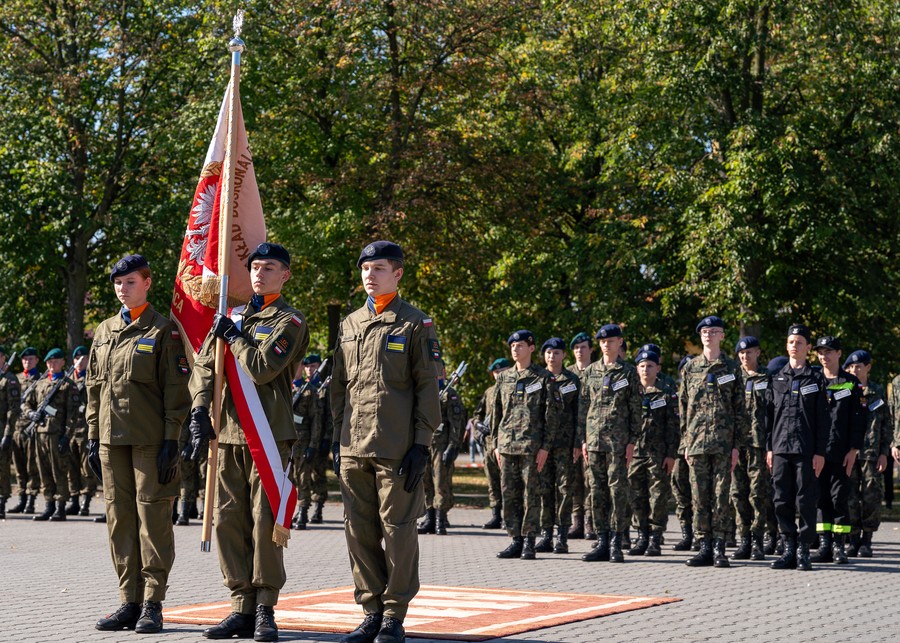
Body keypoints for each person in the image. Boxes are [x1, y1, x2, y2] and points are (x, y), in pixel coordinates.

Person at [188, 242, 309, 642]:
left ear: (284, 275)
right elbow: (205, 366)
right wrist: (199, 410)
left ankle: (265, 608)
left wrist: (235, 337)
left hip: (268, 436)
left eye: (269, 267)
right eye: (255, 266)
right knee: (226, 521)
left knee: (263, 523)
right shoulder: (233, 315)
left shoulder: (289, 320)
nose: (259, 273)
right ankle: (239, 603)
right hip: (227, 434)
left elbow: (261, 367)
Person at [331, 240, 441, 643]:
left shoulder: (415, 323)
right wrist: (337, 437)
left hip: (395, 447)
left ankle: (394, 613)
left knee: (397, 529)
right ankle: (371, 611)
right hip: (352, 446)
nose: (369, 276)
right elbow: (339, 389)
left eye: (378, 268)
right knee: (358, 530)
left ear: (397, 274)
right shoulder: (350, 324)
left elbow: (427, 387)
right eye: (364, 269)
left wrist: (421, 444)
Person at [86, 254, 191, 633]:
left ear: (147, 283)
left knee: (153, 521)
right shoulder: (104, 331)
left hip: (150, 442)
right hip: (111, 442)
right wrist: (91, 436)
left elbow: (177, 391)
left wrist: (171, 439)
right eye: (117, 282)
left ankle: (152, 602)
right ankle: (127, 600)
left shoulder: (164, 330)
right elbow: (94, 389)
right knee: (120, 521)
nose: (122, 288)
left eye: (130, 281)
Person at [679, 316, 746, 568]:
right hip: (696, 443)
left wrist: (736, 445)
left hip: (723, 443)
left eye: (714, 331)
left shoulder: (731, 368)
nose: (708, 335)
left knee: (720, 497)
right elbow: (683, 407)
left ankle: (719, 547)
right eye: (705, 331)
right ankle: (704, 546)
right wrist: (685, 443)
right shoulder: (690, 368)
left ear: (722, 336)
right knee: (698, 497)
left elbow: (740, 410)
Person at [491, 329, 559, 561]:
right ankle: (515, 540)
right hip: (508, 445)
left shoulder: (543, 378)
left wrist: (545, 447)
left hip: (532, 446)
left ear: (531, 348)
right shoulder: (504, 377)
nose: (515, 349)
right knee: (509, 494)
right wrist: (496, 445)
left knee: (531, 495)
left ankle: (529, 540)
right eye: (512, 346)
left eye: (520, 346)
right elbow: (496, 414)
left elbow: (551, 415)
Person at [766, 324, 828, 571]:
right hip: (781, 447)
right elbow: (769, 417)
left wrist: (820, 452)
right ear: (787, 346)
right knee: (781, 499)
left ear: (808, 348)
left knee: (806, 500)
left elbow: (824, 419)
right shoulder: (777, 378)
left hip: (806, 449)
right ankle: (788, 548)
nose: (795, 346)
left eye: (800, 342)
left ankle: (803, 550)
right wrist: (769, 448)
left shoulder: (816, 379)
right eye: (791, 342)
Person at [578, 324, 640, 563]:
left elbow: (635, 409)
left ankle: (617, 540)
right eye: (603, 341)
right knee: (597, 491)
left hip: (618, 442)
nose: (607, 344)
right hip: (594, 441)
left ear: (619, 342)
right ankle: (602, 540)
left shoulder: (628, 372)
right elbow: (584, 408)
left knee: (617, 491)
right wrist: (583, 440)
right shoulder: (591, 371)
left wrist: (632, 440)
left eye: (611, 341)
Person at [810, 336, 864, 564]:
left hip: (841, 452)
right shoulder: (813, 381)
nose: (824, 356)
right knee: (821, 498)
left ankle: (839, 546)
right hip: (817, 452)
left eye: (829, 351)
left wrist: (853, 449)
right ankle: (824, 545)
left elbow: (858, 419)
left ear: (839, 353)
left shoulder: (851, 382)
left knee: (839, 499)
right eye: (821, 352)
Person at [628, 349, 678, 557]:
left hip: (658, 453)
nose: (645, 369)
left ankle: (655, 538)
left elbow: (673, 425)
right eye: (642, 365)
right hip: (635, 453)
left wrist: (671, 454)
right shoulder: (630, 391)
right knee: (636, 496)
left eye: (650, 366)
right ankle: (641, 535)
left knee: (657, 497)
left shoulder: (666, 391)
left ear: (658, 368)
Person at [730, 336, 775, 561]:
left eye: (749, 352)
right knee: (738, 492)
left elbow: (775, 411)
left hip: (759, 444)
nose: (745, 356)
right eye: (741, 353)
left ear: (758, 353)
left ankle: (758, 539)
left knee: (758, 493)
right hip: (737, 445)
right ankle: (744, 539)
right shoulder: (732, 377)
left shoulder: (770, 377)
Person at [534, 337, 581, 554]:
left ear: (564, 355)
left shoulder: (572, 380)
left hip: (564, 443)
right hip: (542, 444)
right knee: (544, 489)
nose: (552, 356)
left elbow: (580, 412)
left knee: (564, 489)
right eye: (549, 353)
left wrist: (578, 442)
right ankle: (546, 535)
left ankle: (562, 535)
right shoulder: (536, 378)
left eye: (557, 353)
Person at [23, 347, 81, 521]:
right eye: (49, 362)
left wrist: (67, 436)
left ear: (63, 362)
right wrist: (31, 414)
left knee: (59, 470)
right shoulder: (40, 384)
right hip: (40, 433)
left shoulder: (67, 384)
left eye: (56, 361)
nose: (52, 364)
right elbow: (26, 404)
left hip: (57, 435)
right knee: (43, 470)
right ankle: (49, 504)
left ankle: (61, 506)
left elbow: (73, 414)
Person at [842, 350, 890, 557]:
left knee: (871, 495)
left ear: (868, 367)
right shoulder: (843, 389)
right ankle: (853, 538)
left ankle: (867, 539)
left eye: (859, 366)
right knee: (850, 496)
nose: (855, 370)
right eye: (851, 367)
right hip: (848, 453)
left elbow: (886, 424)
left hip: (871, 453)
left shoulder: (878, 392)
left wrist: (884, 453)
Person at [419, 366, 467, 535]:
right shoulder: (423, 391)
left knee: (440, 482)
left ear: (445, 373)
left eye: (439, 370)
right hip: (424, 443)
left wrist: (453, 446)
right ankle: (429, 517)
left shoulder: (449, 394)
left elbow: (456, 423)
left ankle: (440, 519)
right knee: (425, 482)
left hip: (441, 445)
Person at [470, 358, 511, 529]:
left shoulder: (513, 388)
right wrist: (478, 425)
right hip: (489, 444)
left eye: (502, 371)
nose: (499, 375)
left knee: (508, 481)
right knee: (492, 481)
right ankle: (496, 515)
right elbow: (477, 414)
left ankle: (510, 516)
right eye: (496, 372)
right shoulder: (489, 392)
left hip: (507, 442)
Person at [290, 354, 324, 530]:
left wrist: (313, 446)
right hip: (286, 443)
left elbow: (316, 421)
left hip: (302, 442)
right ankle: (287, 512)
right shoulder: (283, 388)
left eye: (298, 366)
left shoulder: (309, 390)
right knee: (287, 480)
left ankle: (302, 512)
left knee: (303, 479)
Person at [567, 332, 595, 541]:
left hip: (593, 434)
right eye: (576, 347)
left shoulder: (597, 372)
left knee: (591, 480)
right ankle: (576, 521)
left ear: (590, 349)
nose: (579, 351)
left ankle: (590, 522)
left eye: (583, 347)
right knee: (575, 479)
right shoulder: (567, 374)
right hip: (570, 435)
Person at [8, 347, 42, 515]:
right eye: (24, 359)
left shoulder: (41, 379)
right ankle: (21, 498)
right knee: (19, 466)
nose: (27, 362)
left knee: (31, 465)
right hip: (16, 427)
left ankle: (31, 500)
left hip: (31, 428)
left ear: (36, 360)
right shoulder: (16, 379)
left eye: (30, 359)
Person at [0, 346, 22, 518]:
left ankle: (2, 500)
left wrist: (8, 434)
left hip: (2, 429)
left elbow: (13, 410)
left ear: (4, 358)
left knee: (2, 468)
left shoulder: (10, 380)